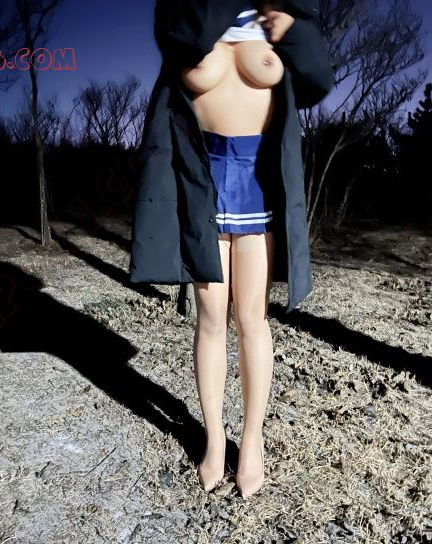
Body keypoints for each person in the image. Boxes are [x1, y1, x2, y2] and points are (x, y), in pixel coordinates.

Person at [128, 0, 334, 498]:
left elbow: (317, 83)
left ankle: (253, 440)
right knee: (210, 320)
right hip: (201, 186)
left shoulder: (277, 10)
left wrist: (292, 28)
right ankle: (215, 438)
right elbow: (182, 39)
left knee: (252, 320)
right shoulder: (187, 9)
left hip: (260, 186)